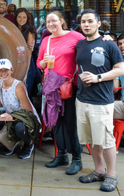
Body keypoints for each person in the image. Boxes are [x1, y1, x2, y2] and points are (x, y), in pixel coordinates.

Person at [75, 9, 124, 192]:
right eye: (83, 22)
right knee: (92, 140)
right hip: (82, 99)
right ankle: (99, 171)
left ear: (98, 24)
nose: (86, 25)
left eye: (90, 21)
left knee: (106, 140)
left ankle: (111, 175)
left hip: (102, 100)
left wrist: (98, 78)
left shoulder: (109, 45)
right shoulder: (79, 44)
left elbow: (120, 69)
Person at [37, 10, 86, 175]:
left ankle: (77, 159)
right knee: (56, 123)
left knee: (70, 123)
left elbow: (91, 45)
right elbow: (39, 63)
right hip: (52, 89)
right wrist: (43, 63)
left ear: (62, 21)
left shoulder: (75, 36)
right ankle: (62, 155)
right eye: (48, 22)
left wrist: (106, 38)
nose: (51, 24)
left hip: (68, 87)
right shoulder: (46, 40)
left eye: (54, 21)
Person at [0, 59, 40, 159]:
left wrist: (12, 118)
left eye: (6, 70)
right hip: (9, 118)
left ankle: (29, 143)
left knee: (20, 128)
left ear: (11, 70)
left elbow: (29, 112)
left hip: (24, 119)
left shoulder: (18, 86)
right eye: (1, 70)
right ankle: (12, 141)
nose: (3, 73)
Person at [15, 8, 38, 96]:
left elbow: (29, 54)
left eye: (24, 17)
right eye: (19, 17)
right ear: (16, 18)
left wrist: (25, 73)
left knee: (25, 93)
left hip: (27, 64)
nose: (22, 19)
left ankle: (28, 110)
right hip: (16, 62)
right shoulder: (14, 29)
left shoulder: (29, 31)